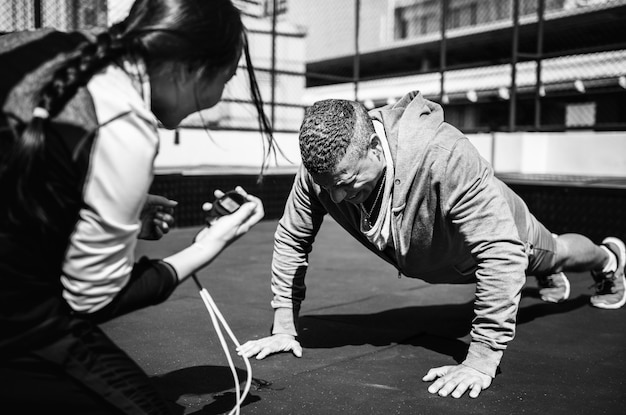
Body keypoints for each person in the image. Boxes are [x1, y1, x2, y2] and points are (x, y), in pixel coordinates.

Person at [237, 92, 626, 399]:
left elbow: (501, 252)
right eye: (328, 186)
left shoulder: (444, 156)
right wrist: (285, 326)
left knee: (554, 251)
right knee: (535, 265)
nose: (336, 198)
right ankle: (552, 272)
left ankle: (609, 259)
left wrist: (480, 359)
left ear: (375, 147)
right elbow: (292, 237)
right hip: (447, 256)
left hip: (504, 232)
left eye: (348, 182)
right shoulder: (321, 173)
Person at [0, 0, 271, 413]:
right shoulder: (126, 126)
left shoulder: (43, 46)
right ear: (192, 69)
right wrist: (210, 243)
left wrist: (96, 202)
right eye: (227, 79)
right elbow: (90, 300)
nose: (218, 97)